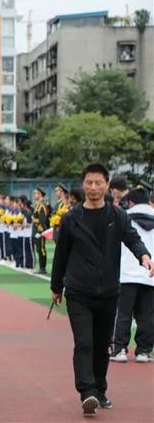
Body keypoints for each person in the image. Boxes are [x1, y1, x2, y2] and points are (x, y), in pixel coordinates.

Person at [50, 163, 154, 417]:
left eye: (98, 183)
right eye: (89, 183)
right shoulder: (71, 218)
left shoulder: (117, 216)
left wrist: (144, 256)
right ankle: (87, 392)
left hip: (108, 292)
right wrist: (57, 287)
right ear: (83, 184)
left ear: (107, 185)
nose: (93, 188)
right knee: (84, 342)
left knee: (101, 345)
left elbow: (132, 238)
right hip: (78, 292)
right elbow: (60, 255)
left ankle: (100, 389)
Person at [110, 187, 154, 363]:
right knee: (147, 315)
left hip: (126, 272)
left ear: (131, 202)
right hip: (150, 272)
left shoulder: (123, 216)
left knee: (123, 313)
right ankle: (143, 351)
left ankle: (120, 349)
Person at [31, 188, 49, 274]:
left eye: (36, 193)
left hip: (39, 230)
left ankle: (43, 267)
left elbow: (42, 219)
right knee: (38, 249)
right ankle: (41, 266)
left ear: (40, 194)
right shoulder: (38, 204)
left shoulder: (42, 205)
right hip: (36, 229)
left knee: (41, 249)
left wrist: (40, 231)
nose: (35, 195)